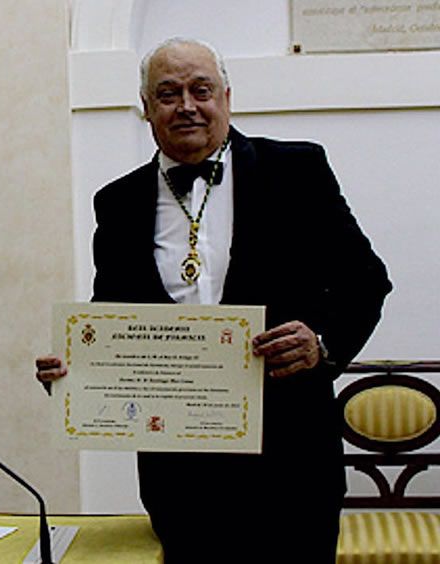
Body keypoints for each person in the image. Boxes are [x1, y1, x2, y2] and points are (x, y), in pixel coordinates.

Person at [35, 37, 391, 562]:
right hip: (178, 475)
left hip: (291, 460)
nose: (186, 106)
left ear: (227, 96)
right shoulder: (117, 202)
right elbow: (112, 314)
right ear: (146, 108)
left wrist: (322, 341)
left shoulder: (297, 170)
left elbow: (366, 280)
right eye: (168, 93)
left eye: (201, 89)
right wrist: (80, 371)